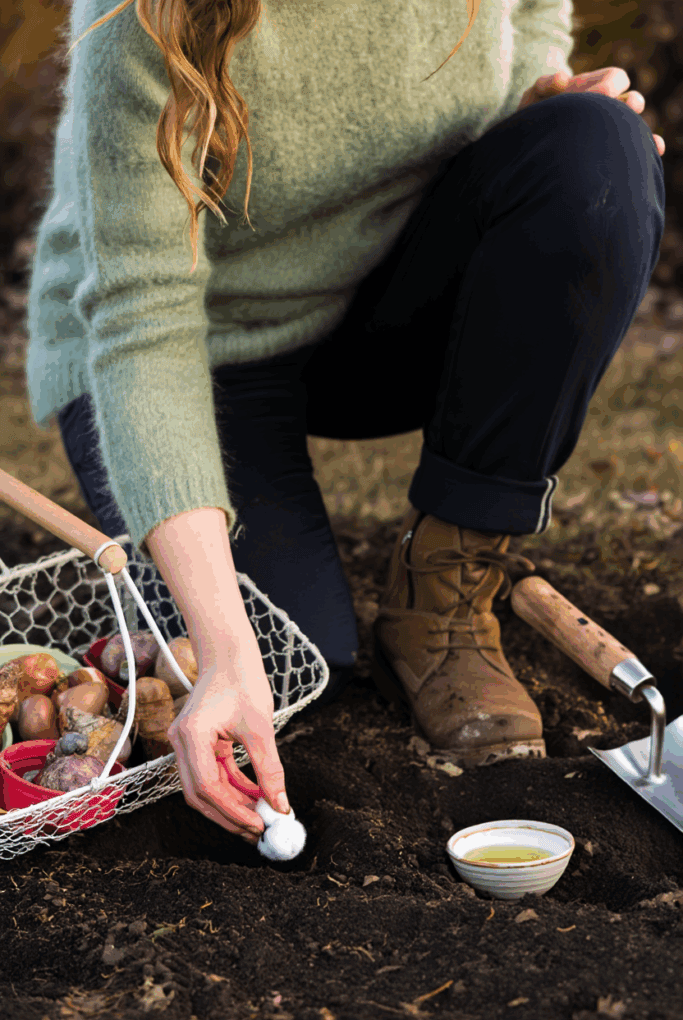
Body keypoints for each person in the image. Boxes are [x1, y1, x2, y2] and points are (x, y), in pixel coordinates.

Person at [25, 0, 665, 848]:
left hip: (372, 302)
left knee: (595, 149)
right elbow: (143, 317)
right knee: (293, 668)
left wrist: (530, 102)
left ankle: (445, 589)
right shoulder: (140, 18)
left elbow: (533, 15)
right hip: (191, 341)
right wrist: (221, 649)